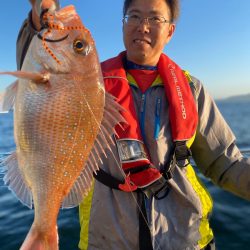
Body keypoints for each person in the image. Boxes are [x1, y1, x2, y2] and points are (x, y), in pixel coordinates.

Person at [16, 0, 250, 249]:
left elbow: (225, 163)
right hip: (105, 242)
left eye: (155, 19)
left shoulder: (192, 89)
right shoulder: (89, 82)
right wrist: (39, 17)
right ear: (123, 24)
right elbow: (37, 70)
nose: (143, 26)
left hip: (188, 241)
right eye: (134, 17)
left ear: (170, 31)